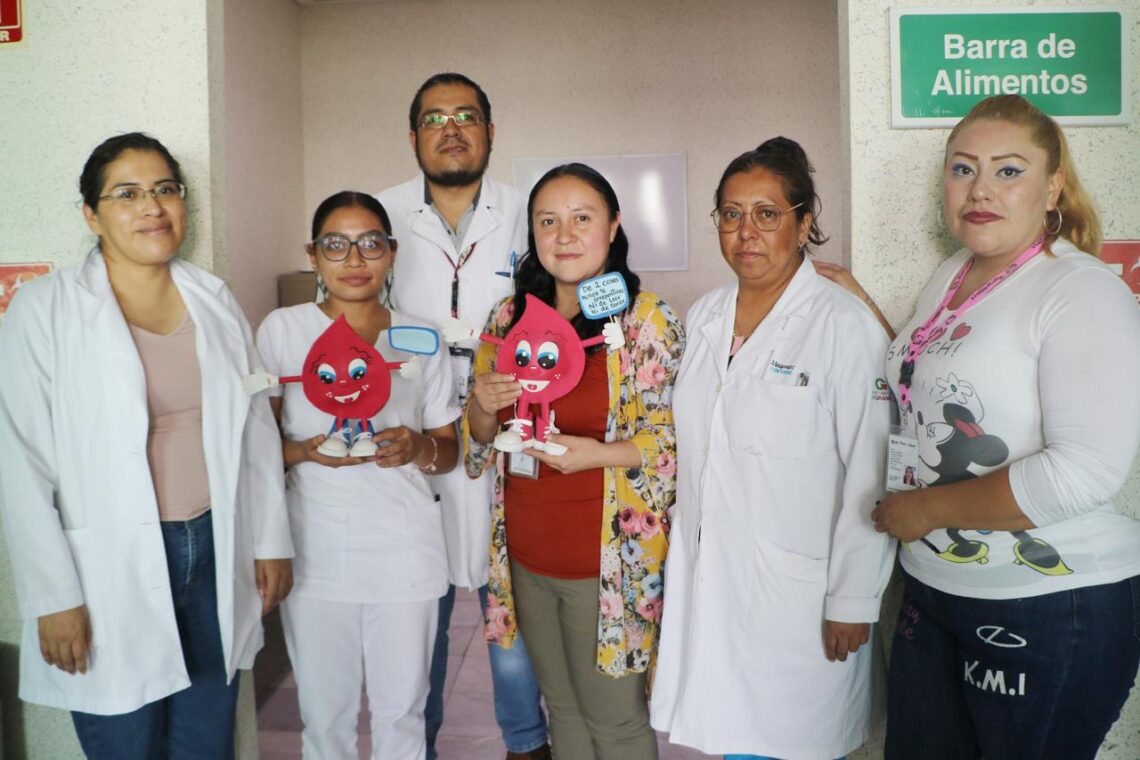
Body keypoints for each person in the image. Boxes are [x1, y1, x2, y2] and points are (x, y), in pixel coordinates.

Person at [0, 132, 293, 758]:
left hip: (215, 545)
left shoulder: (214, 299)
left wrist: (270, 540)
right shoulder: (44, 309)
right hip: (109, 563)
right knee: (125, 740)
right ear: (92, 214)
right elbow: (19, 464)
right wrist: (55, 598)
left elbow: (255, 430)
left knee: (206, 740)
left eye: (165, 189)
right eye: (127, 194)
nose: (152, 207)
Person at [866, 95, 1140, 759]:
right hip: (935, 587)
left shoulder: (1079, 290)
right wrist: (860, 309)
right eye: (963, 169)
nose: (980, 189)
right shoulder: (952, 275)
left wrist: (923, 510)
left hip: (1048, 601)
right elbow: (930, 379)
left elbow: (1086, 470)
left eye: (1008, 171)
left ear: (1053, 188)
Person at [650, 137, 894, 760]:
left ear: (804, 224)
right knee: (732, 735)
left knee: (792, 738)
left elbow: (872, 470)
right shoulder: (705, 317)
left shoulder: (842, 323)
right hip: (713, 577)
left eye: (767, 214)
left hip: (802, 592)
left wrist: (853, 597)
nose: (746, 232)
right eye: (731, 214)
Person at [465, 162, 684, 760]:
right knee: (562, 710)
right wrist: (483, 404)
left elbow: (675, 442)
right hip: (526, 554)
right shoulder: (507, 320)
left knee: (614, 721)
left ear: (613, 226)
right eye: (548, 221)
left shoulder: (643, 320)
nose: (564, 235)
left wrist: (598, 456)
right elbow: (478, 442)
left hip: (606, 562)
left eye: (582, 218)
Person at [376, 72, 550, 760]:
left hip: (505, 424)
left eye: (466, 116)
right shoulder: (381, 214)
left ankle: (526, 743)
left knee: (506, 605)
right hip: (415, 424)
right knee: (420, 611)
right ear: (413, 135)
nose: (450, 129)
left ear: (490, 131)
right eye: (434, 118)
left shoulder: (529, 211)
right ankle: (415, 743)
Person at [256, 191, 460, 759]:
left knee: (403, 714)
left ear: (391, 252)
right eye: (335, 245)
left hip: (405, 548)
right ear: (313, 256)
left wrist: (417, 446)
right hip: (317, 548)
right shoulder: (282, 331)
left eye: (370, 243)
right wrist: (304, 452)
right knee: (326, 718)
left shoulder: (419, 336)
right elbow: (256, 448)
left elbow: (448, 452)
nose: (353, 259)